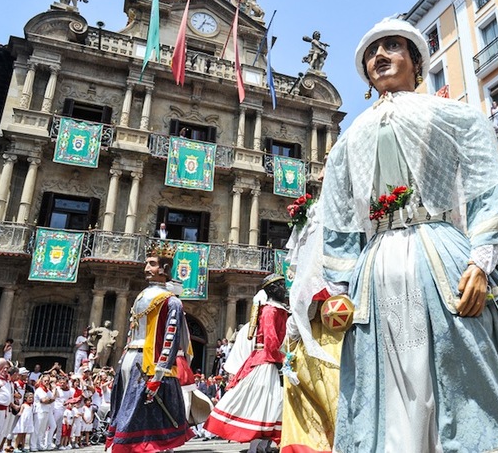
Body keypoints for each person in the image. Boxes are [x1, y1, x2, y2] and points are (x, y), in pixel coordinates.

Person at [320, 17, 498, 452]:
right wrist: (338, 289)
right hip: (375, 269)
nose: (380, 56)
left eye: (393, 47)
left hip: (440, 254)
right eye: (372, 53)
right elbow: (339, 216)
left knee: (463, 366)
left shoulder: (454, 115)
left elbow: (483, 187)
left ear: (416, 61)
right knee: (381, 381)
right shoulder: (347, 141)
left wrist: (481, 261)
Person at [105, 242, 194, 453]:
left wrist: (160, 372)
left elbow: (170, 339)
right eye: (147, 263)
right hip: (132, 360)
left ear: (164, 269)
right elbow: (132, 330)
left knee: (146, 415)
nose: (146, 268)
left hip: (150, 364)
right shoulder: (141, 296)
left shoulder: (172, 302)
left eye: (152, 264)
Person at [281, 168, 345, 453]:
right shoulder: (314, 213)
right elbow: (303, 273)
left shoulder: (336, 210)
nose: (320, 174)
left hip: (335, 320)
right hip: (316, 318)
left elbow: (314, 273)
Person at [203, 275, 289, 452]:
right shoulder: (270, 311)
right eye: (280, 286)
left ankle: (262, 446)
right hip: (267, 362)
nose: (284, 288)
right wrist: (281, 360)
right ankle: (255, 446)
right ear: (271, 290)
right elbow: (271, 339)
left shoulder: (277, 310)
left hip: (271, 360)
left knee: (272, 404)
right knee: (264, 402)